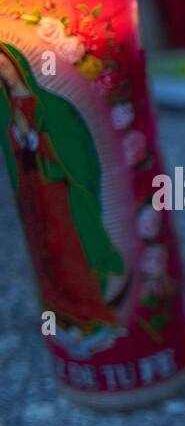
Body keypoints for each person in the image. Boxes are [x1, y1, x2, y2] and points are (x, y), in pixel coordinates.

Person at [0, 43, 123, 330]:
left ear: (17, 66)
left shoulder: (50, 105)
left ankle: (90, 309)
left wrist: (34, 139)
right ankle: (64, 310)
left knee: (71, 249)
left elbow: (73, 147)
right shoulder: (7, 110)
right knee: (49, 253)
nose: (3, 72)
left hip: (60, 193)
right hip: (35, 193)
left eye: (4, 64)